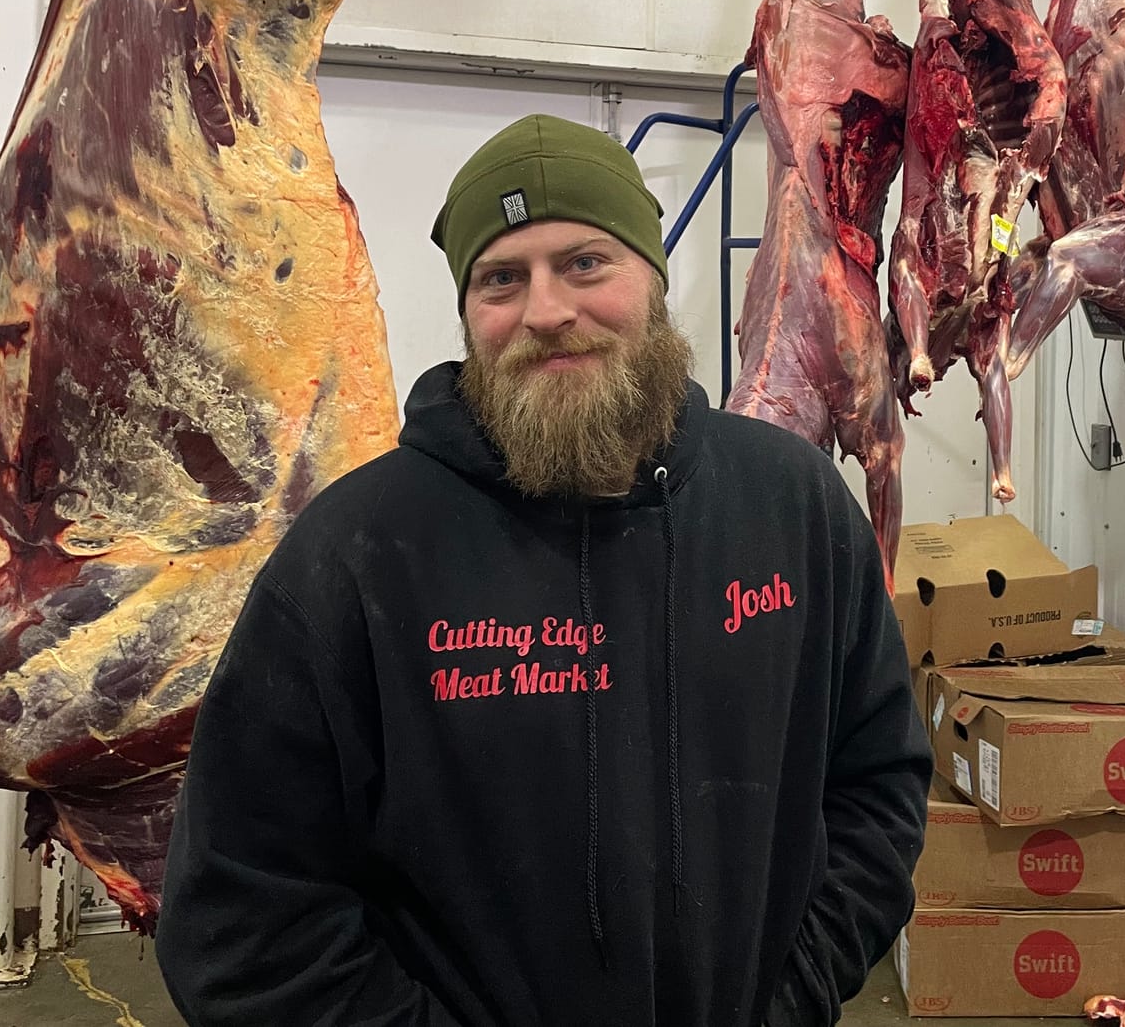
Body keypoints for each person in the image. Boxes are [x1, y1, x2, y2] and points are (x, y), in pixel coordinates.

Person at [156, 114, 931, 1026]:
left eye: (585, 263)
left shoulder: (792, 510)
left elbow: (877, 784)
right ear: (468, 313)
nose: (547, 310)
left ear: (653, 276)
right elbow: (241, 919)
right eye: (501, 280)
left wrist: (794, 998)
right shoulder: (354, 557)